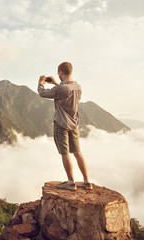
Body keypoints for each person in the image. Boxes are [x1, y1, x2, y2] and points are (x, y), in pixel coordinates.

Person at [38, 62, 92, 191]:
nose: (58, 75)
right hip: (74, 124)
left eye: (59, 73)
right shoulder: (78, 87)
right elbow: (66, 92)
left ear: (61, 72)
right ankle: (87, 181)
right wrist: (57, 83)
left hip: (61, 124)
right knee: (78, 153)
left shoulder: (60, 89)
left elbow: (43, 93)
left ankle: (71, 182)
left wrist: (41, 82)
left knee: (65, 153)